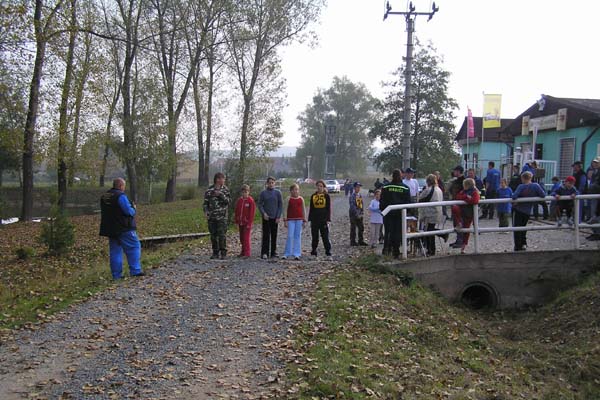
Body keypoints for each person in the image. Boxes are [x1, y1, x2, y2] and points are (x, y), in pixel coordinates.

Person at [99, 178, 144, 279]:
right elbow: (128, 211)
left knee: (115, 252)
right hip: (124, 227)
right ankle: (135, 270)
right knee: (134, 247)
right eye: (124, 186)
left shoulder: (105, 196)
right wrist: (134, 208)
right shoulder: (120, 196)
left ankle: (117, 276)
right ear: (120, 186)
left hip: (110, 228)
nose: (124, 188)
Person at [380, 169, 412, 258]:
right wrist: (407, 212)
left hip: (388, 214)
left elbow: (382, 201)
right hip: (399, 215)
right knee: (397, 233)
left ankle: (386, 250)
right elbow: (408, 203)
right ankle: (396, 251)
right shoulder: (405, 188)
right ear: (401, 176)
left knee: (388, 232)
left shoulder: (386, 187)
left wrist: (383, 210)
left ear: (392, 176)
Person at [511, 171, 546, 251]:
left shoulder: (521, 186)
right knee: (523, 227)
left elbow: (514, 196)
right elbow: (543, 195)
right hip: (527, 211)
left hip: (519, 209)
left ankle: (518, 246)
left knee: (517, 228)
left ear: (523, 178)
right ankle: (524, 244)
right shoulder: (535, 186)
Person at [204, 172, 231, 259]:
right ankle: (215, 252)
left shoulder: (225, 190)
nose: (222, 180)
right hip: (212, 217)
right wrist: (206, 212)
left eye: (223, 179)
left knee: (222, 235)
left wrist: (221, 195)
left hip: (222, 217)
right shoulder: (209, 190)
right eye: (220, 178)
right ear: (216, 179)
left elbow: (228, 202)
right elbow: (205, 203)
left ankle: (223, 253)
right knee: (213, 235)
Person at [451, 178, 480, 253]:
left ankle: (463, 246)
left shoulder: (475, 192)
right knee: (455, 208)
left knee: (466, 231)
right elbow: (458, 197)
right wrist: (467, 197)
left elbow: (475, 200)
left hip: (469, 214)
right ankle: (459, 224)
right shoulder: (464, 191)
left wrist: (465, 198)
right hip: (462, 212)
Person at [418, 174, 444, 256]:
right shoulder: (439, 189)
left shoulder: (428, 190)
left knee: (429, 232)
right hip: (438, 212)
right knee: (431, 230)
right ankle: (432, 248)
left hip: (430, 213)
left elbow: (420, 199)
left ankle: (431, 250)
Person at [258, 177, 283, 259]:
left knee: (274, 235)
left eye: (272, 182)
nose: (271, 184)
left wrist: (278, 216)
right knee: (266, 235)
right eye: (269, 183)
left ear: (275, 183)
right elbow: (260, 204)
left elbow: (280, 205)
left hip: (275, 217)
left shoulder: (278, 193)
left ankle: (273, 252)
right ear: (267, 184)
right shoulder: (263, 193)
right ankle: (264, 252)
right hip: (266, 217)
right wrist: (263, 213)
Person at [282, 184, 306, 260]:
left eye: (297, 189)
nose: (296, 191)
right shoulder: (288, 199)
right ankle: (287, 253)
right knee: (290, 236)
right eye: (294, 190)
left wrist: (304, 220)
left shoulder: (301, 199)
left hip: (299, 219)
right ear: (291, 191)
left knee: (297, 236)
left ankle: (297, 253)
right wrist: (285, 220)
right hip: (290, 220)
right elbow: (285, 210)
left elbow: (303, 210)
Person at [308, 180, 332, 256]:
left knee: (325, 236)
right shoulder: (313, 196)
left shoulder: (326, 196)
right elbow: (311, 208)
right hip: (315, 219)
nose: (319, 187)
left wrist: (328, 219)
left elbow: (328, 208)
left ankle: (328, 250)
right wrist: (310, 218)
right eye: (318, 186)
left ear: (323, 187)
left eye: (321, 186)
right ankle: (314, 249)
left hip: (323, 219)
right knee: (315, 236)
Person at [234, 184, 256, 257]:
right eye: (243, 192)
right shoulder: (239, 201)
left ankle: (247, 253)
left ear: (249, 192)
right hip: (240, 222)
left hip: (247, 223)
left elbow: (252, 213)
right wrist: (236, 221)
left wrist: (249, 223)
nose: (244, 194)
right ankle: (243, 251)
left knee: (246, 238)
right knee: (242, 238)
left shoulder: (250, 201)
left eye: (246, 192)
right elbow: (237, 211)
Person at [349, 182, 368, 246]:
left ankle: (361, 240)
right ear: (354, 188)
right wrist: (356, 213)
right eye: (357, 187)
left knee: (361, 227)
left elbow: (361, 204)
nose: (358, 188)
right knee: (353, 228)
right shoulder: (352, 196)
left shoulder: (360, 195)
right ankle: (352, 241)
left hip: (360, 213)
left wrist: (362, 212)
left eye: (359, 187)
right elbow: (352, 206)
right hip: (353, 214)